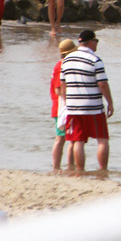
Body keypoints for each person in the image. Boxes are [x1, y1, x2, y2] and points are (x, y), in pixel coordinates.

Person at [61, 29, 114, 172]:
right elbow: (102, 84)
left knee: (78, 140)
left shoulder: (67, 60)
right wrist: (110, 102)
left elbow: (63, 84)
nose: (97, 44)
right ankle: (103, 170)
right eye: (96, 41)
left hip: (73, 106)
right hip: (93, 106)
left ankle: (80, 170)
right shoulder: (95, 60)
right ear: (90, 42)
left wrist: (67, 102)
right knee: (102, 139)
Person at [50, 39, 77, 172]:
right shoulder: (61, 66)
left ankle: (69, 166)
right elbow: (58, 90)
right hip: (61, 107)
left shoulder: (62, 65)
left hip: (61, 106)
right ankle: (58, 167)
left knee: (69, 138)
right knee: (61, 138)